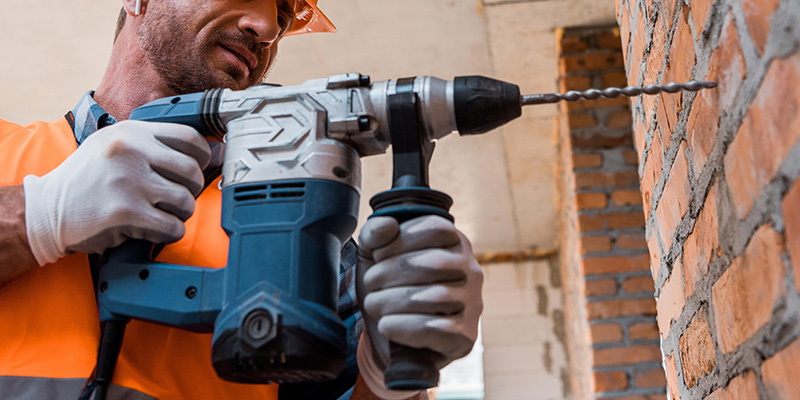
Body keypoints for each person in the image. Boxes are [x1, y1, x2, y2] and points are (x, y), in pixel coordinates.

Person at [0, 1, 484, 399]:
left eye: (284, 12)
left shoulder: (308, 236)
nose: (268, 28)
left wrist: (386, 372)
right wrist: (37, 215)